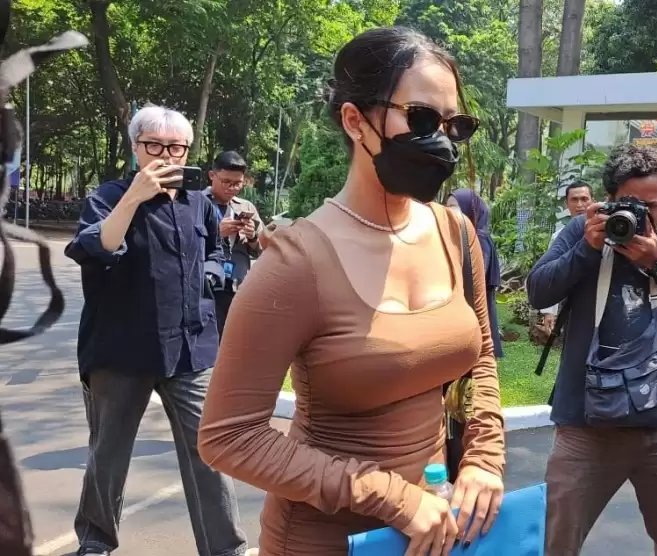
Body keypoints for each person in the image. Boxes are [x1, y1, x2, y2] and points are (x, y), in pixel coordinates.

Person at [197, 27, 505, 556]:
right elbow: (228, 437)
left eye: (453, 125)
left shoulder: (455, 234)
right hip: (323, 539)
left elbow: (479, 360)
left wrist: (483, 459)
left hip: (437, 529)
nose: (441, 141)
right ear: (354, 120)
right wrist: (389, 496)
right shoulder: (296, 262)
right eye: (421, 119)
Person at [527, 144, 657, 556]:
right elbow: (538, 290)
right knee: (555, 542)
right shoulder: (581, 231)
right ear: (609, 200)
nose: (639, 216)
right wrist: (586, 250)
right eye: (629, 204)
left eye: (651, 207)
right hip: (586, 424)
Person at [65, 105, 248, 556]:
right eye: (154, 146)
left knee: (208, 451)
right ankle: (96, 541)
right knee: (108, 454)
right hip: (121, 349)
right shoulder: (108, 197)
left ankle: (226, 548)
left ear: (188, 151)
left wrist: (213, 273)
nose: (166, 155)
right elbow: (97, 248)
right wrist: (133, 198)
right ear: (136, 148)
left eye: (176, 147)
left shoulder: (199, 203)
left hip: (190, 348)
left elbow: (211, 251)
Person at [205, 150, 264, 334]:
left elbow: (263, 250)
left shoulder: (246, 207)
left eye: (238, 183)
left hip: (238, 285)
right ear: (212, 175)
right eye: (226, 182)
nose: (232, 188)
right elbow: (185, 245)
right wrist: (216, 233)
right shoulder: (196, 203)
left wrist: (252, 237)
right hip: (206, 288)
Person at [445, 189, 504, 358]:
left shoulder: (479, 238)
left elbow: (474, 276)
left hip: (472, 305)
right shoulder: (460, 235)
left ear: (470, 210)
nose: (449, 212)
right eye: (447, 207)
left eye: (454, 207)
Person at [540, 181, 595, 321]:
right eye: (574, 200)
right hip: (569, 305)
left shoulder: (604, 233)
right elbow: (552, 273)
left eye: (584, 199)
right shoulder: (559, 237)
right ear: (566, 204)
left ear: (592, 201)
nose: (579, 205)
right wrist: (549, 312)